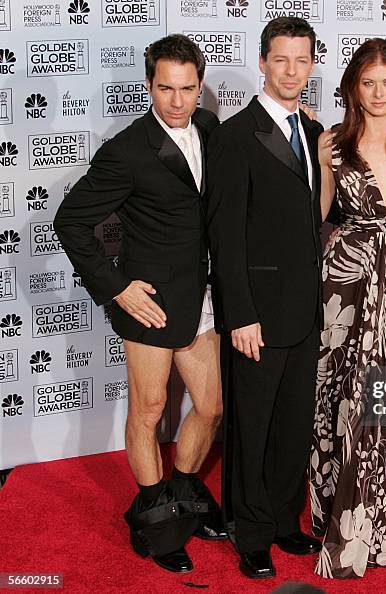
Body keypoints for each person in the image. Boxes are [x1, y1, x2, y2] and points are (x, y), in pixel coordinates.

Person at [53, 34, 227, 574]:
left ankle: (184, 493)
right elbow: (70, 220)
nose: (176, 101)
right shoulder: (128, 149)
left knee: (212, 406)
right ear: (149, 85)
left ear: (200, 88)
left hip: (202, 297)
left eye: (187, 89)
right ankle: (156, 518)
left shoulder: (210, 130)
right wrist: (116, 286)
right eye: (165, 88)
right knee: (150, 411)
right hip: (148, 303)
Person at [309, 39, 386, 579]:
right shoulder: (332, 143)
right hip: (349, 280)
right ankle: (344, 513)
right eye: (368, 83)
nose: (379, 93)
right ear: (352, 89)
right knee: (345, 392)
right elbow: (316, 214)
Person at [207, 17, 324, 579]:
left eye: (302, 60)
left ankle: (282, 519)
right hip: (257, 314)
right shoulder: (234, 135)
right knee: (251, 426)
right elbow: (225, 236)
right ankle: (249, 532)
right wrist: (241, 315)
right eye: (281, 59)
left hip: (305, 311)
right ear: (262, 61)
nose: (292, 71)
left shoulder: (313, 129)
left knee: (293, 424)